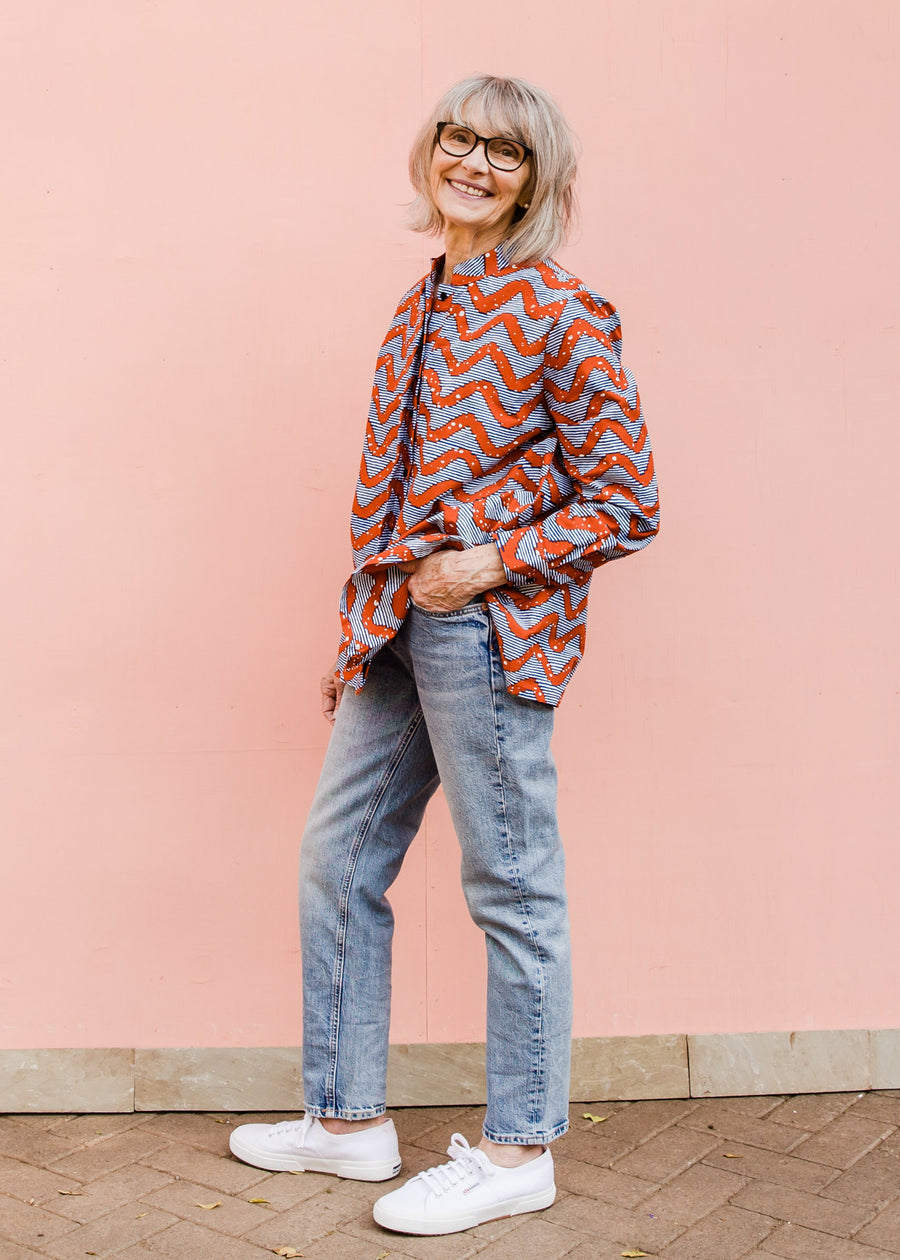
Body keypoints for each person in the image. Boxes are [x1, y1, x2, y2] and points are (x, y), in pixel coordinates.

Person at [230, 73, 659, 1237]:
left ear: (536, 180)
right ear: (432, 150)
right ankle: (346, 1121)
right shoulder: (423, 299)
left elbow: (627, 500)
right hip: (396, 625)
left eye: (503, 151)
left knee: (512, 887)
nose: (472, 162)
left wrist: (486, 563)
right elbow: (391, 488)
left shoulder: (561, 311)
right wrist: (357, 633)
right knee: (337, 863)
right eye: (458, 138)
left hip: (487, 631)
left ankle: (520, 1148)